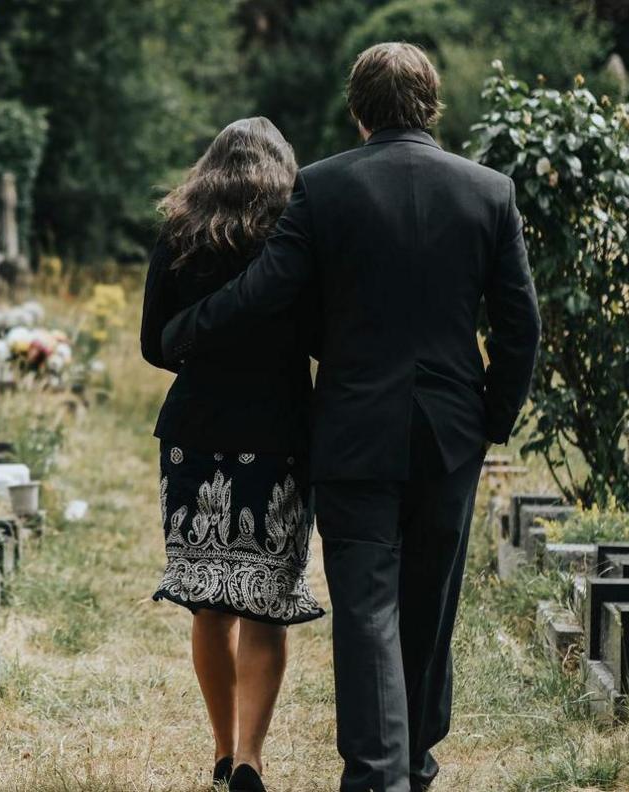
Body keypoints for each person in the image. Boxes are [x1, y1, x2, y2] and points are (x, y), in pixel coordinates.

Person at [162, 43, 540, 792]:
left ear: (358, 109)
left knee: (366, 606)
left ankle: (377, 776)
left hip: (352, 430)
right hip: (449, 433)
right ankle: (416, 762)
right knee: (431, 604)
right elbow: (519, 325)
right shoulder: (489, 191)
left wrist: (189, 330)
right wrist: (491, 417)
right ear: (432, 105)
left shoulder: (325, 187)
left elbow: (270, 287)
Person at [140, 116, 324, 792]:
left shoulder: (181, 230)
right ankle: (250, 757)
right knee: (264, 603)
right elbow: (318, 335)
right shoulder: (296, 234)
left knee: (207, 603)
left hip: (196, 433)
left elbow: (154, 345)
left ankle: (220, 753)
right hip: (276, 433)